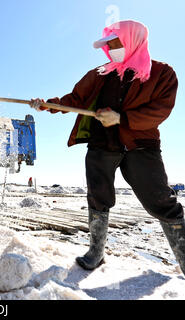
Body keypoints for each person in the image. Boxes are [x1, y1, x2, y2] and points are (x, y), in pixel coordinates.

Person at [31, 20, 185, 274]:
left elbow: (160, 110)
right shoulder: (101, 73)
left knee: (160, 200)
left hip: (141, 146)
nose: (111, 49)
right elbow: (74, 100)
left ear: (132, 40)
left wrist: (122, 119)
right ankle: (96, 252)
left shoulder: (161, 73)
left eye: (116, 43)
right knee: (98, 196)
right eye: (109, 45)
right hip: (102, 144)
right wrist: (46, 104)